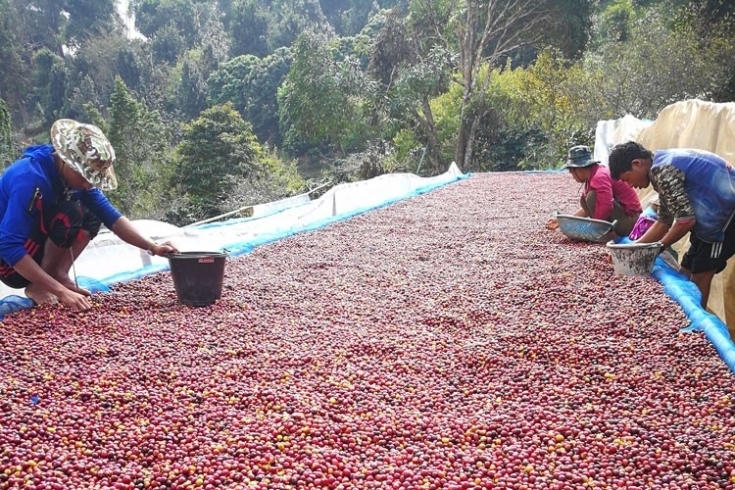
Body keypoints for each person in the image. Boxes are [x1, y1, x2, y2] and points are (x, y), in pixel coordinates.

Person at [0, 119, 177, 312]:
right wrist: (60, 292)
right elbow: (8, 246)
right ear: (67, 162)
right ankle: (41, 285)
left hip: (33, 252)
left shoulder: (71, 180)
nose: (88, 185)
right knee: (69, 213)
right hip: (11, 264)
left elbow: (111, 217)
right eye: (86, 177)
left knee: (92, 211)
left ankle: (58, 274)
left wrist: (153, 246)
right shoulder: (29, 179)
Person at [608, 140, 735, 307]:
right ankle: (683, 314)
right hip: (710, 220)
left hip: (725, 220)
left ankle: (697, 330)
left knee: (700, 274)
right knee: (685, 270)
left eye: (627, 179)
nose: (632, 186)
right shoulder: (662, 166)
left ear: (637, 164)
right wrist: (633, 249)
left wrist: (658, 247)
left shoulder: (663, 170)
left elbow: (686, 221)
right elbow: (664, 221)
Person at [546, 145, 642, 237]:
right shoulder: (593, 177)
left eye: (572, 172)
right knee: (584, 199)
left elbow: (606, 205)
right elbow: (586, 210)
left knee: (592, 197)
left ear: (579, 169)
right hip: (623, 218)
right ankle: (604, 231)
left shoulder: (599, 176)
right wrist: (564, 221)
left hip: (631, 222)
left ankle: (608, 234)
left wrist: (594, 229)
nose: (573, 177)